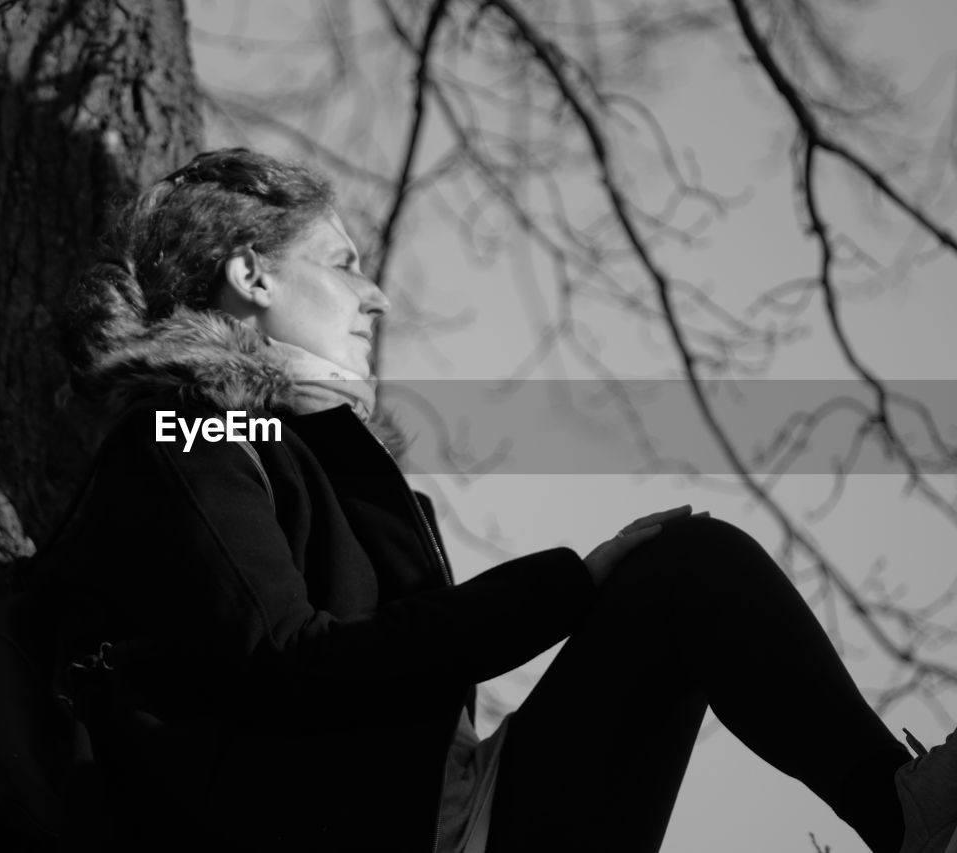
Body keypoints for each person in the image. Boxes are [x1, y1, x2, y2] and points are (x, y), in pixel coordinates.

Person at [53, 147, 957, 852]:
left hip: (457, 812)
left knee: (691, 568)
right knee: (684, 570)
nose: (376, 296)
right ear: (252, 277)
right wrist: (569, 586)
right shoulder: (183, 433)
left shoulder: (310, 450)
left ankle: (911, 819)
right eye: (343, 263)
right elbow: (288, 659)